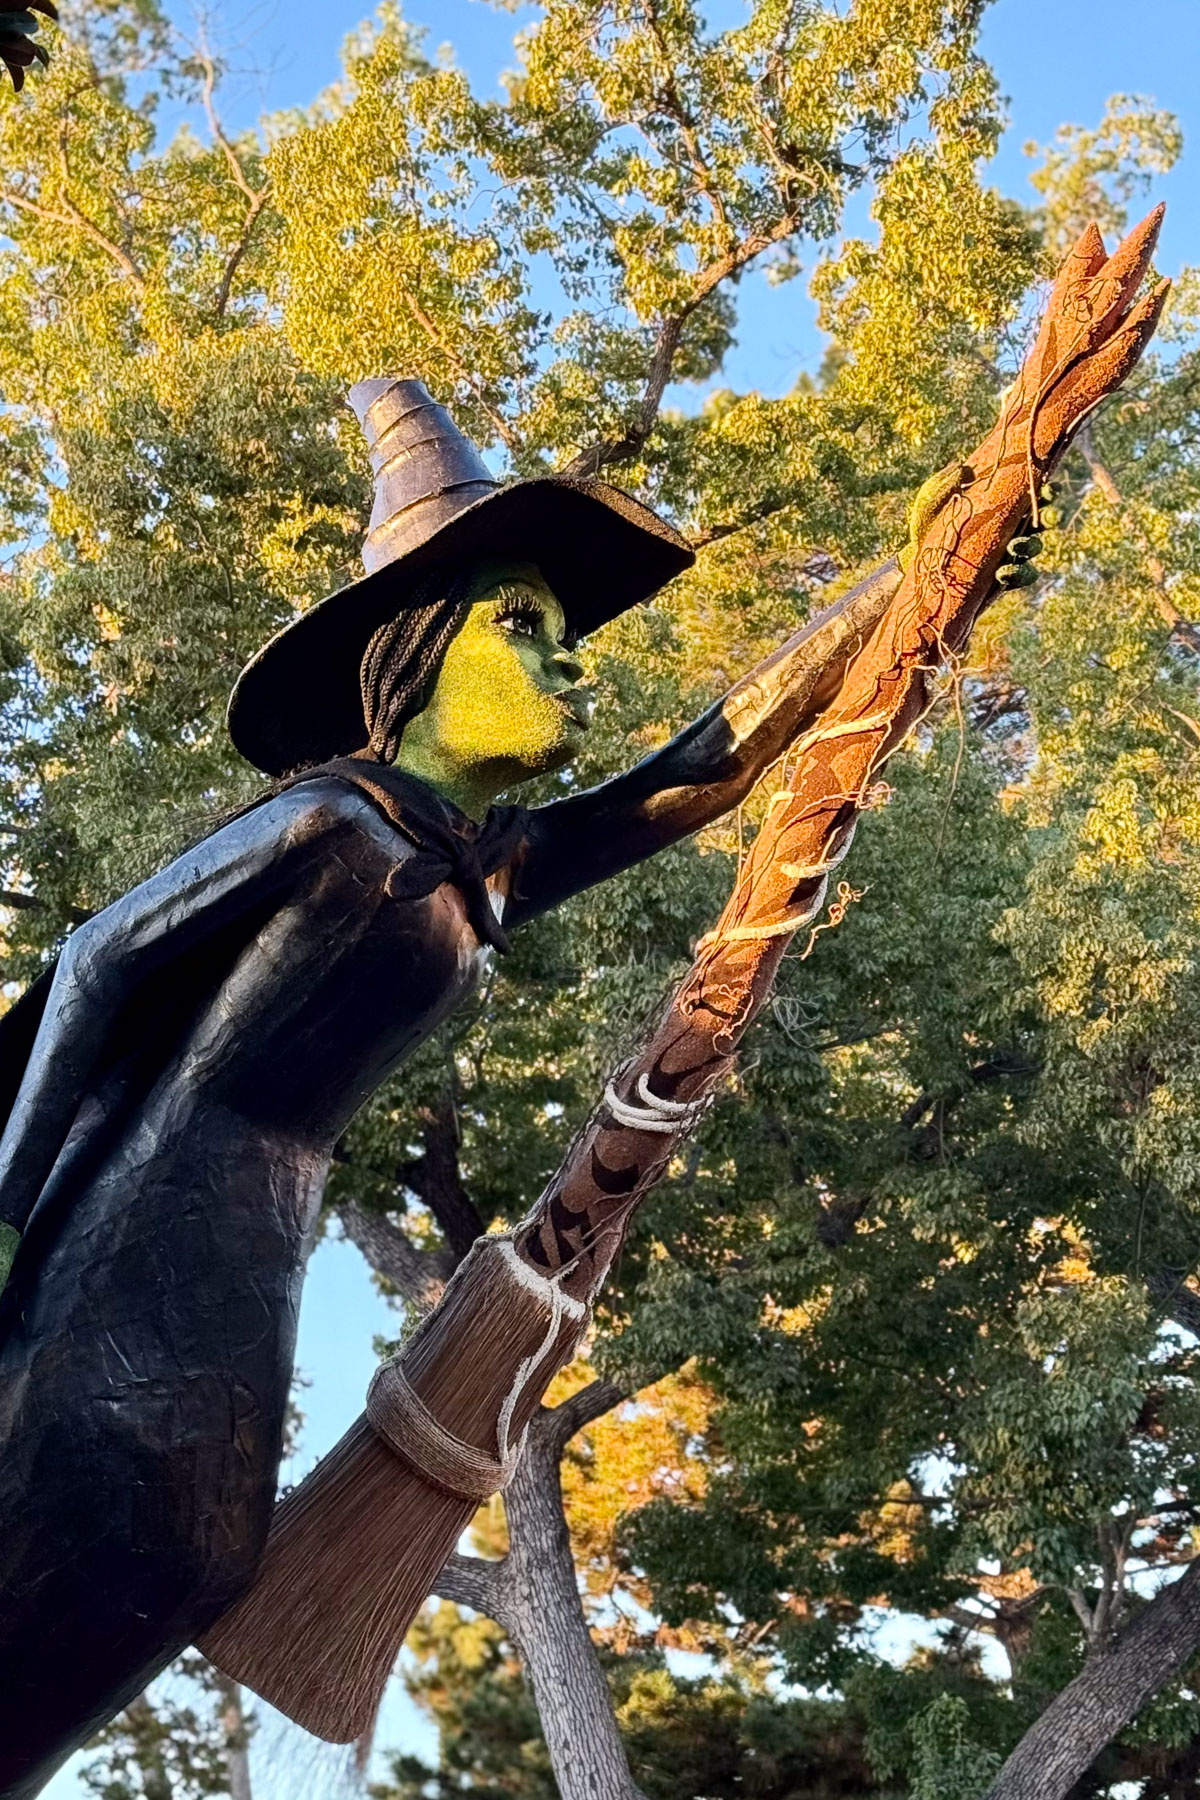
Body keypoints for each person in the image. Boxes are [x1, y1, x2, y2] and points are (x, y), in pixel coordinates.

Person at [0, 378, 1037, 1796]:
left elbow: (703, 772)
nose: (573, 668)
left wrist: (922, 573)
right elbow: (92, 967)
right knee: (94, 1524)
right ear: (414, 655)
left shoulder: (483, 871)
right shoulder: (325, 821)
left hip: (244, 1283)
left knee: (188, 1553)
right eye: (524, 627)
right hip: (107, 1271)